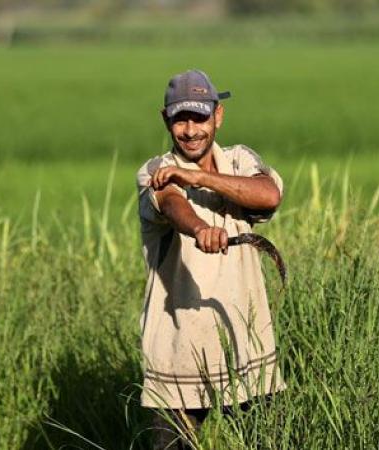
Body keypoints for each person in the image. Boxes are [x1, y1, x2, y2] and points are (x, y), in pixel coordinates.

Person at [135, 69, 287, 449]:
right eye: (180, 119)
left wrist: (201, 179)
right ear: (165, 120)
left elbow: (267, 195)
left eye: (199, 118)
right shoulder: (156, 171)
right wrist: (201, 228)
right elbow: (171, 204)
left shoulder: (241, 161)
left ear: (217, 116)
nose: (190, 130)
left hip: (246, 347)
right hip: (178, 351)